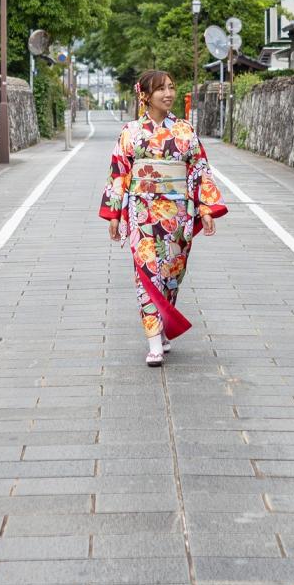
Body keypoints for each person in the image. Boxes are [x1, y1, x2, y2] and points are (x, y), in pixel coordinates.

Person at [98, 70, 228, 366]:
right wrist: (114, 215)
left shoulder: (184, 131)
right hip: (142, 213)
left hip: (178, 215)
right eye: (161, 89)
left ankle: (163, 324)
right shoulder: (130, 132)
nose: (168, 94)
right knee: (148, 276)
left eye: (171, 87)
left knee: (171, 276)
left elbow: (199, 170)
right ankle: (154, 341)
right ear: (145, 95)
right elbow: (119, 173)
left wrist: (206, 209)